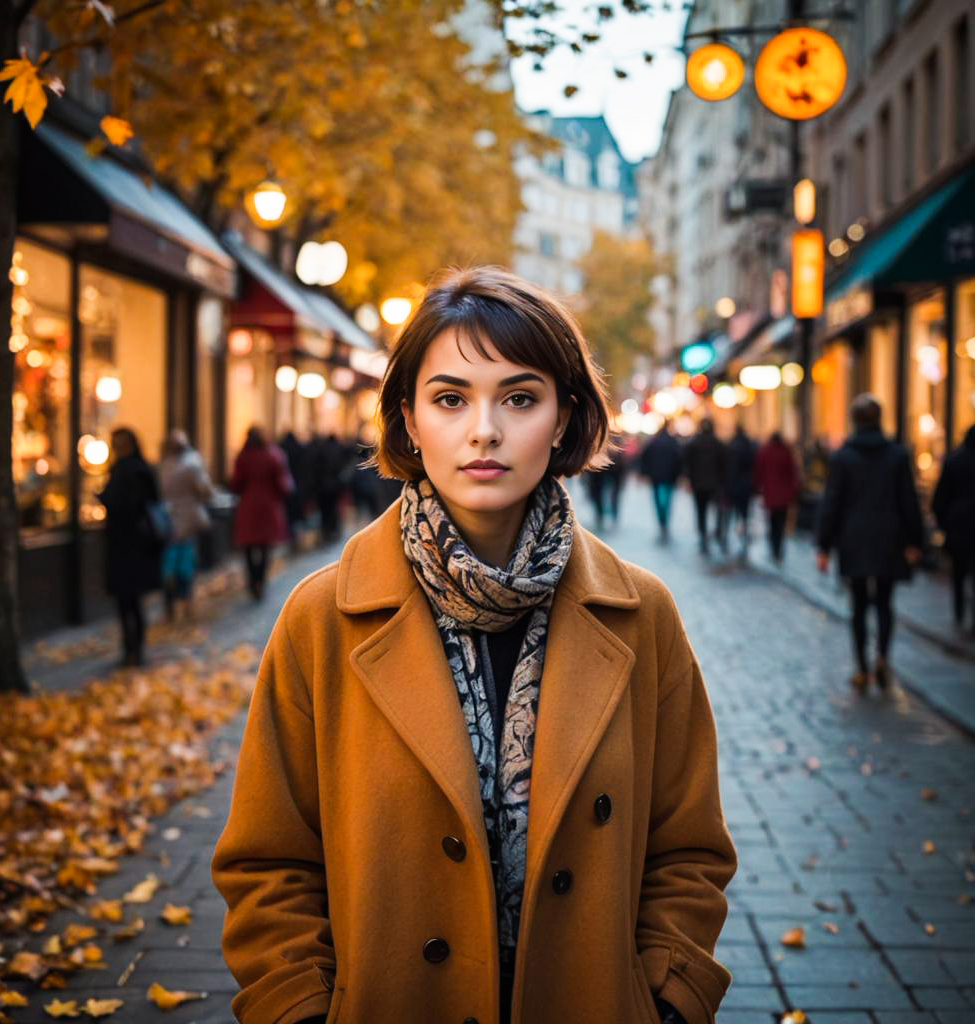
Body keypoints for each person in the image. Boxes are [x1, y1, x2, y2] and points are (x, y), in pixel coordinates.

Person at [212, 267, 736, 1024]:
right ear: (408, 418)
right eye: (450, 398)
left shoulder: (639, 614)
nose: (483, 430)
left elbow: (687, 849)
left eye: (519, 398)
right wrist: (297, 1008)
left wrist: (668, 997)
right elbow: (269, 863)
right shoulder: (324, 616)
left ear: (562, 420)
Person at [816, 393, 923, 693]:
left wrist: (824, 546)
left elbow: (832, 503)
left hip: (855, 540)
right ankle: (883, 658)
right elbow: (908, 501)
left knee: (859, 605)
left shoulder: (843, 456)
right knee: (886, 604)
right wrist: (915, 540)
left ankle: (862, 667)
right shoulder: (897, 455)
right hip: (890, 539)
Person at [98, 427, 161, 667]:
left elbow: (130, 504)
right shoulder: (137, 469)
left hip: (131, 545)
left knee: (130, 602)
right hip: (130, 546)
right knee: (129, 602)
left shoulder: (131, 471)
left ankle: (133, 649)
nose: (117, 448)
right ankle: (132, 648)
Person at [230, 426, 292, 601]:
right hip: (268, 506)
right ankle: (261, 581)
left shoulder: (243, 457)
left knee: (249, 547)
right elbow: (282, 484)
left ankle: (252, 580)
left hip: (248, 506)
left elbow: (235, 484)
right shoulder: (273, 456)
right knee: (265, 547)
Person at [159, 428, 214, 622]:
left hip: (168, 520)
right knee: (186, 564)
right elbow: (205, 490)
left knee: (169, 564)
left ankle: (170, 605)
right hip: (188, 520)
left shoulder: (163, 466)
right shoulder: (191, 465)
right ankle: (185, 602)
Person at [932, 424, 975, 634]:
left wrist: (943, 523)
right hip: (961, 524)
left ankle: (959, 613)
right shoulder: (954, 460)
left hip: (959, 526)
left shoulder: (954, 460)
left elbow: (940, 497)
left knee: (958, 573)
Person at [683, 418, 728, 555]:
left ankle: (703, 534)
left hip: (699, 484)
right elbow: (724, 465)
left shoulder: (693, 443)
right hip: (715, 484)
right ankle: (718, 531)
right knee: (718, 510)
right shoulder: (719, 444)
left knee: (701, 510)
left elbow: (688, 465)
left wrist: (689, 480)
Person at [753, 431, 799, 563]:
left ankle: (774, 548)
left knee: (773, 522)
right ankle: (778, 548)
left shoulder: (765, 452)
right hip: (784, 495)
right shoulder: (786, 452)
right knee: (781, 522)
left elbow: (759, 471)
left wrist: (759, 487)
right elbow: (792, 472)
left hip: (770, 493)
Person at [638, 419, 682, 541]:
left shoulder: (653, 442)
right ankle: (665, 520)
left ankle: (661, 521)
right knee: (667, 500)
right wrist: (678, 475)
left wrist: (645, 473)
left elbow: (644, 458)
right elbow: (679, 460)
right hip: (670, 477)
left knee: (658, 500)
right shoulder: (673, 442)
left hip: (656, 477)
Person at [721, 424, 757, 556]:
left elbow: (728, 469)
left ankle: (725, 537)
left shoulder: (731, 446)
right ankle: (743, 538)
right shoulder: (749, 446)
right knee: (744, 515)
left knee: (729, 514)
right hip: (746, 487)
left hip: (732, 486)